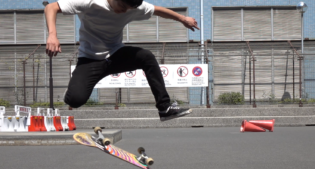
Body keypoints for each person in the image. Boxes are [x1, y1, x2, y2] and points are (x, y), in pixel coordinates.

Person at [44, 0, 199, 121]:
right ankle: (71, 91)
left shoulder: (135, 6)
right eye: (122, 6)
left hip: (116, 54)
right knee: (75, 100)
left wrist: (183, 19)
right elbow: (51, 7)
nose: (124, 11)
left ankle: (164, 108)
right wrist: (52, 34)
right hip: (90, 59)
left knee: (147, 57)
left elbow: (157, 10)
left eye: (128, 9)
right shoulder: (89, 1)